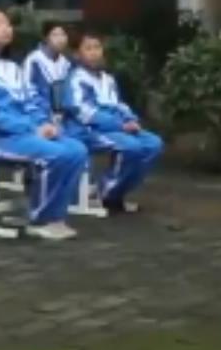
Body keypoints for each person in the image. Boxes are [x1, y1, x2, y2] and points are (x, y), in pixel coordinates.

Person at [0, 6, 89, 240]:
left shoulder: (13, 68)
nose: (5, 28)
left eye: (7, 24)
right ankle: (40, 219)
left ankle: (55, 215)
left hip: (23, 135)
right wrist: (31, 129)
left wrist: (45, 125)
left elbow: (30, 104)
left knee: (77, 149)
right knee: (55, 154)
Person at [63, 32, 165, 214]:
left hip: (114, 129)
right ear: (77, 54)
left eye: (97, 47)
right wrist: (120, 126)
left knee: (153, 143)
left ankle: (116, 193)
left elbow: (118, 104)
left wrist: (131, 120)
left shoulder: (108, 79)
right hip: (85, 130)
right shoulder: (76, 78)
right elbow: (83, 112)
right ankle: (105, 194)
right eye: (88, 48)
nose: (94, 53)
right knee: (130, 146)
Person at [23, 20, 73, 123]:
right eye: (55, 35)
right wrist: (45, 115)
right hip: (38, 116)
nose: (60, 39)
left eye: (63, 35)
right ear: (45, 38)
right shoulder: (34, 60)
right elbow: (28, 91)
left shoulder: (67, 63)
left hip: (64, 118)